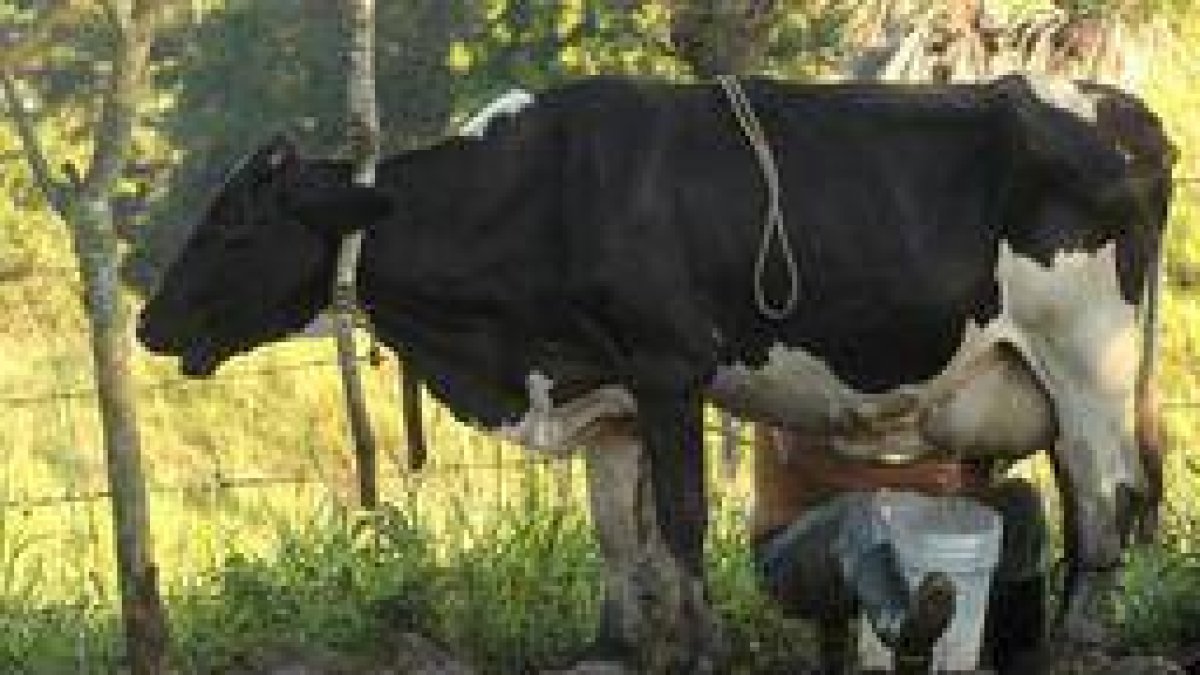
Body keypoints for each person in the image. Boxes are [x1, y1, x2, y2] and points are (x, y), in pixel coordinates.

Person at [752, 426, 1049, 674]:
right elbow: (801, 457)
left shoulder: (944, 374)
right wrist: (910, 478)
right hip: (793, 552)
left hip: (903, 548)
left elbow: (964, 479)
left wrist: (958, 473)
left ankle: (1017, 658)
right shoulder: (804, 368)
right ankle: (902, 628)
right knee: (860, 512)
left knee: (1019, 504)